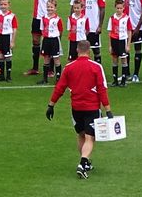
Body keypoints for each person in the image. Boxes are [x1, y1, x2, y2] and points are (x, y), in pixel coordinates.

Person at [46, 39, 111, 179]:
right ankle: (82, 163)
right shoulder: (96, 67)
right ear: (89, 51)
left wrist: (51, 105)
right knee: (90, 137)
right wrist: (108, 110)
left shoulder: (69, 67)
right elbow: (102, 89)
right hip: (92, 107)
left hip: (76, 108)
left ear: (77, 50)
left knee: (81, 135)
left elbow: (60, 88)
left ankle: (85, 163)